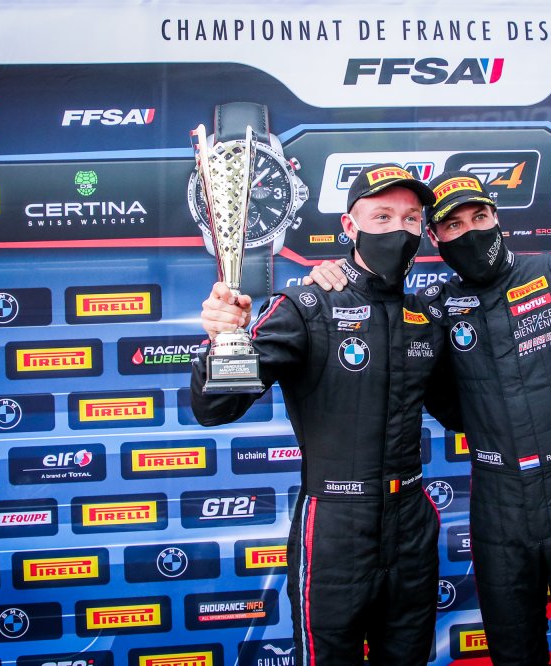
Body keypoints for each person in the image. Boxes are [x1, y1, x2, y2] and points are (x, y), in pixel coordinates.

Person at [307, 171, 551, 666]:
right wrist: (331, 280)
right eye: (453, 225)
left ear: (497, 219)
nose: (470, 231)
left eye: (479, 217)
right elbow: (392, 346)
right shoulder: (435, 309)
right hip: (497, 504)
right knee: (513, 654)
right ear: (435, 237)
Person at [190, 164, 457, 666]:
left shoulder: (426, 316)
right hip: (335, 525)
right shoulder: (306, 305)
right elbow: (216, 406)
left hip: (411, 523)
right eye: (382, 216)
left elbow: (462, 413)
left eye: (411, 219)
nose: (399, 229)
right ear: (350, 227)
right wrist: (222, 342)